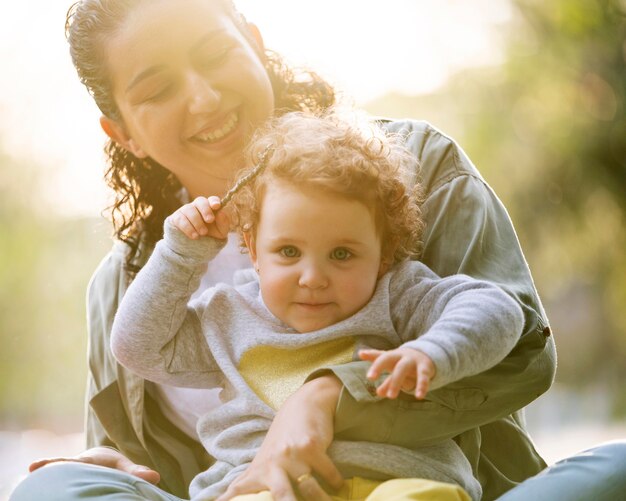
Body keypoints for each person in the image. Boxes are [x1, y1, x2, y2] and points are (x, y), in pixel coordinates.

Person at [9, 0, 626, 500]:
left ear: (253, 42)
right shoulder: (127, 285)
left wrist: (328, 396)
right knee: (51, 489)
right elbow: (137, 433)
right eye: (157, 88)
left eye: (215, 54)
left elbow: (520, 352)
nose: (203, 98)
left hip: (418, 488)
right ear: (122, 132)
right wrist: (105, 467)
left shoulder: (404, 171)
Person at [109, 110, 528, 501]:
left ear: (383, 255)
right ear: (253, 249)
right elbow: (136, 347)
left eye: (342, 254)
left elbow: (499, 309)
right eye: (289, 251)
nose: (312, 278)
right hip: (266, 486)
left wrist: (432, 351)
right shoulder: (227, 316)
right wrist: (180, 254)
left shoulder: (396, 294)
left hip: (398, 482)